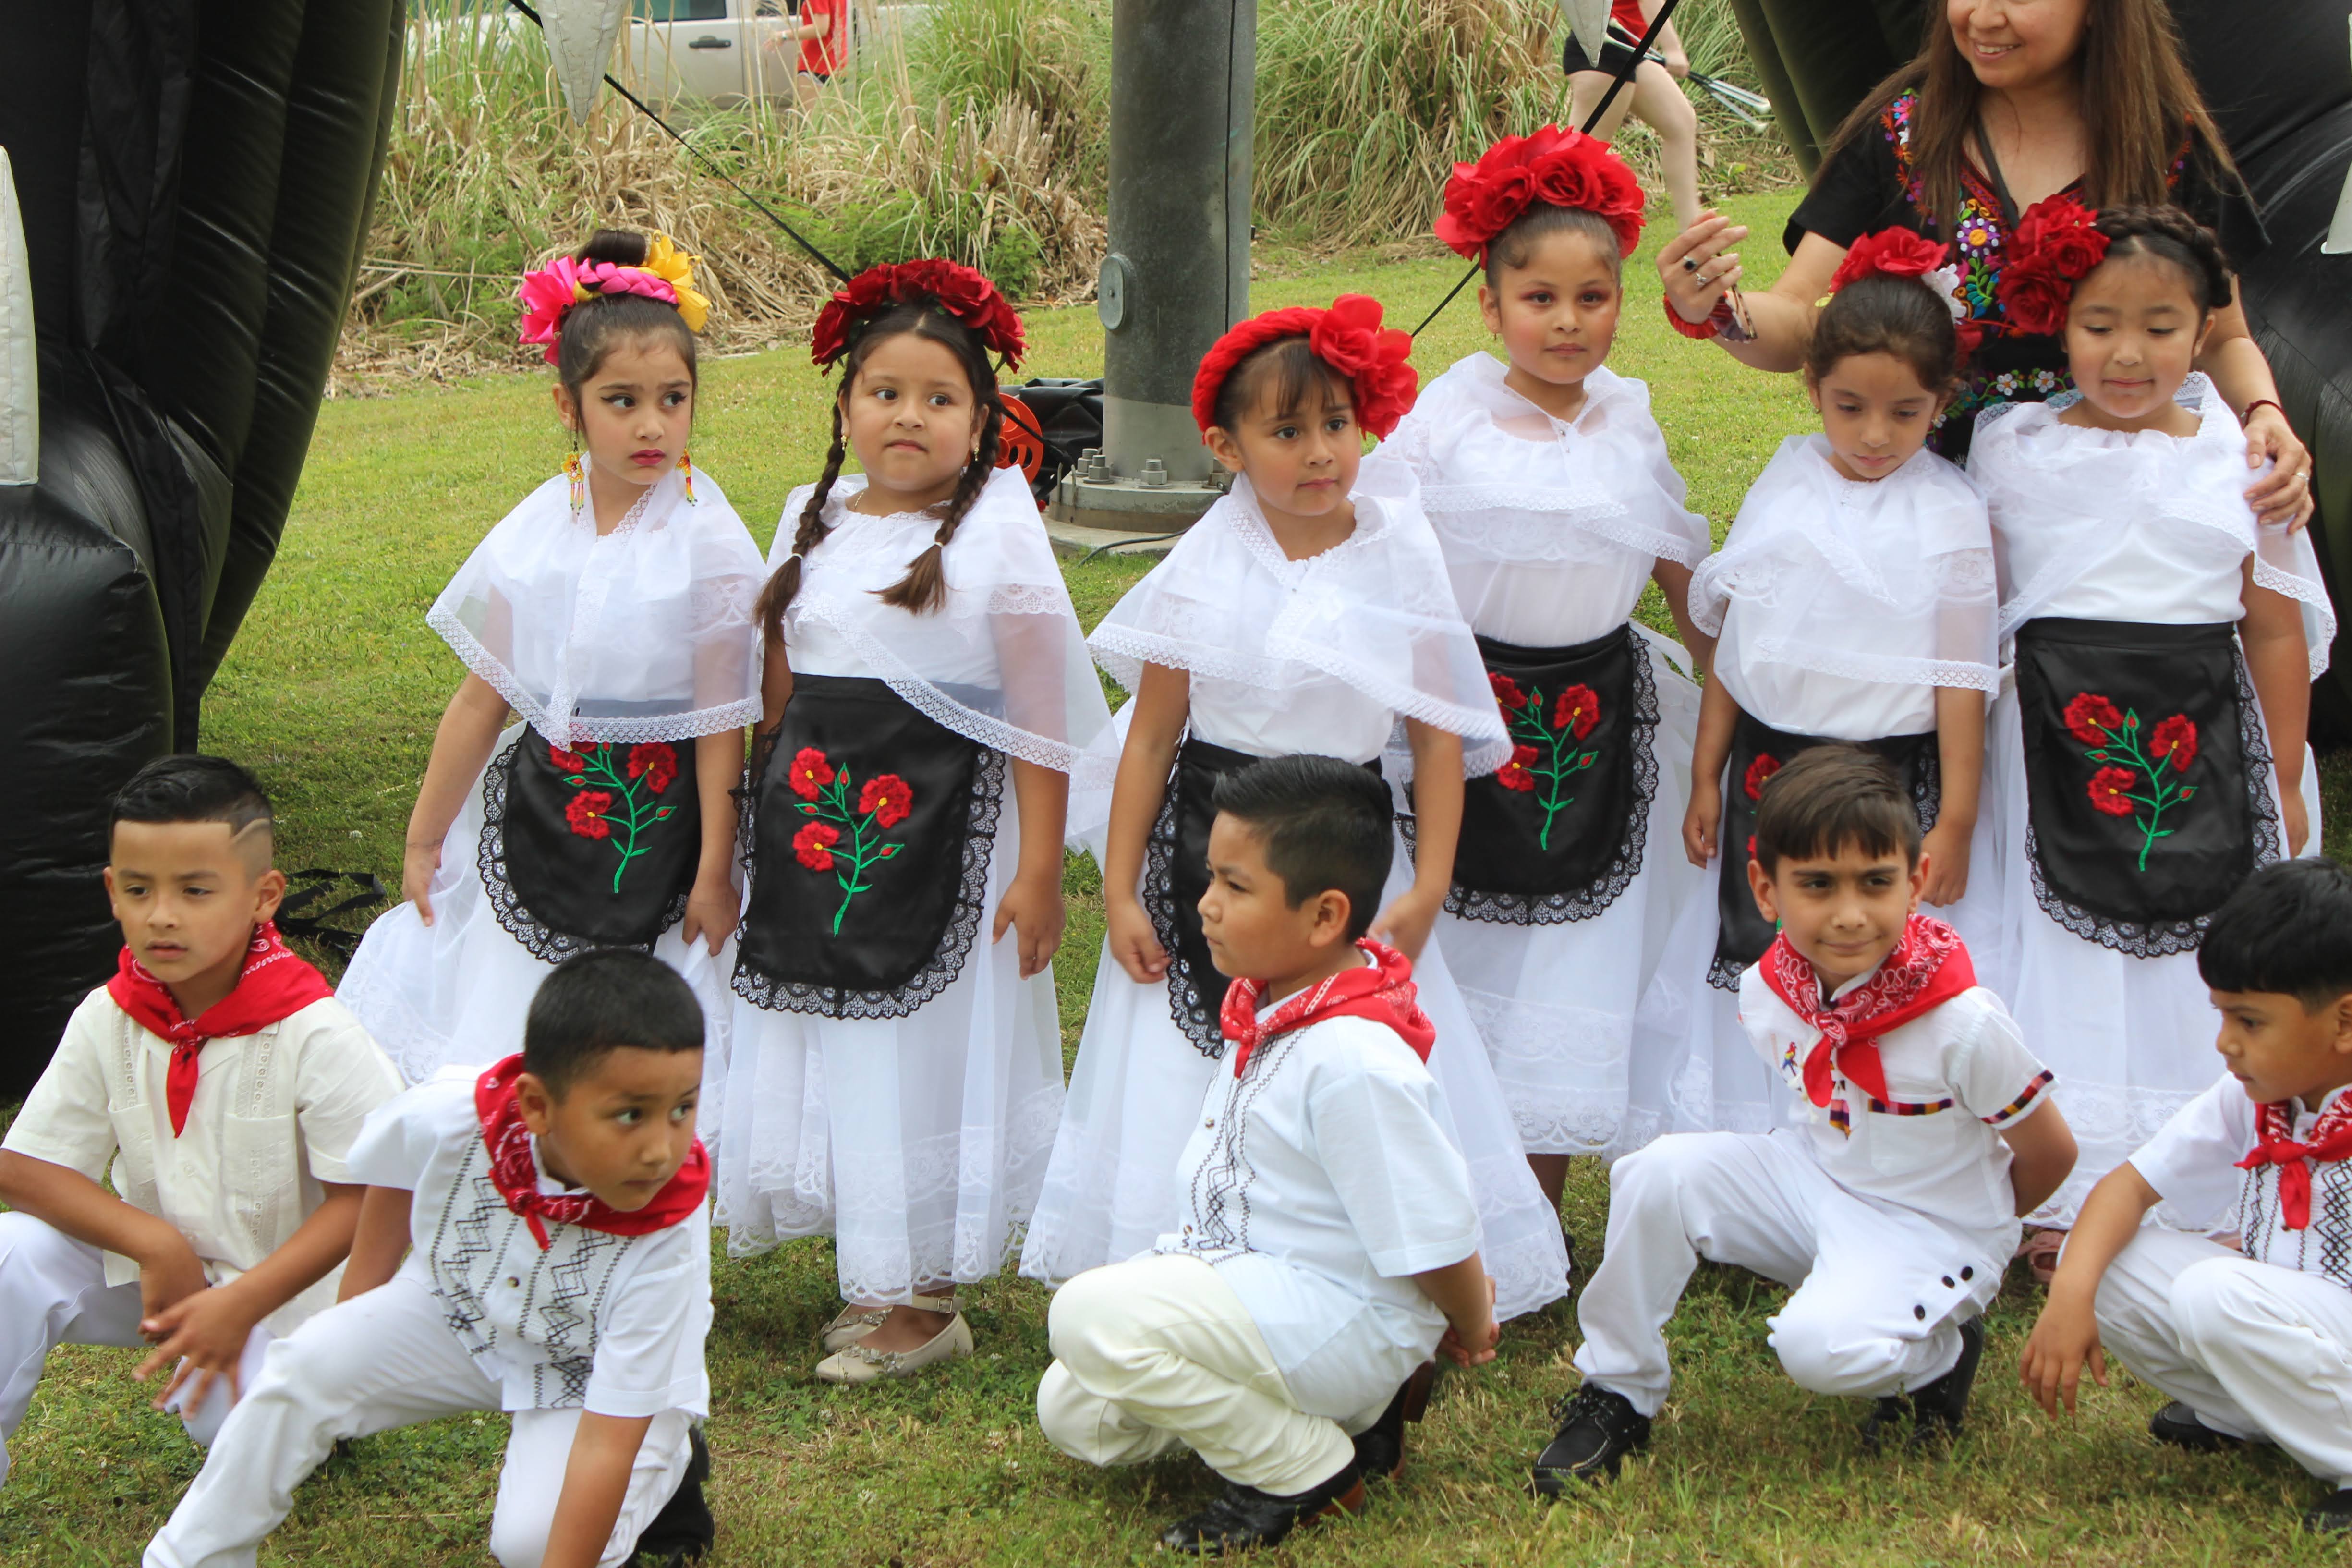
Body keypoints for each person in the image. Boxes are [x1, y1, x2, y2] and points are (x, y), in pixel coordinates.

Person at [1017, 296, 1572, 1326]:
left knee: (1362, 1049)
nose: (1319, 454)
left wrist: (1433, 882)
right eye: (1286, 433)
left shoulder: (1400, 550)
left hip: (1353, 856)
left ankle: (1382, 1256)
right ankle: (1186, 1253)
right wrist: (1126, 887)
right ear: (1225, 446)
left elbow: (1438, 738)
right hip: (1210, 848)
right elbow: (1150, 737)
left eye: (1335, 426)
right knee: (1190, 1055)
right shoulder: (1202, 564)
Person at [712, 260, 1111, 1382]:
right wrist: (757, 815)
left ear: (984, 421)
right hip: (819, 834)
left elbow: (1038, 721)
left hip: (951, 840)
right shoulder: (809, 515)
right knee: (850, 1045)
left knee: (922, 1049)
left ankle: (926, 1299)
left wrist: (1039, 872)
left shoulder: (997, 534)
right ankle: (879, 1272)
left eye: (939, 398)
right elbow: (778, 682)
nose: (908, 417)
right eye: (884, 392)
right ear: (843, 407)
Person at [1534, 747, 2076, 1490]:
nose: (1849, 914)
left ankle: (1941, 1347)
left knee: (1816, 1350)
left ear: (1914, 883)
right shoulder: (1769, 986)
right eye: (1816, 885)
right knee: (1654, 1172)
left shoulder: (1964, 1024)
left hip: (1928, 1226)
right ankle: (1617, 1388)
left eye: (1875, 883)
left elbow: (2051, 1152)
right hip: (1815, 1184)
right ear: (1765, 888)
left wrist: (1964, 1237)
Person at [1966, 204, 2334, 1243]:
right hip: (2049, 747)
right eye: (2098, 324)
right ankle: (2061, 1192)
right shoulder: (2009, 449)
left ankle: (2204, 1188)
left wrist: (2283, 773)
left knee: (2193, 966)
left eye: (2162, 327)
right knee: (2064, 963)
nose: (2128, 353)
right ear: (2059, 324)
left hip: (2203, 736)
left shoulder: (2241, 456)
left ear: (2205, 329)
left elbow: (2269, 629)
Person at [1037, 755, 1497, 1555]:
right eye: (1211, 878)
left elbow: (1432, 1230)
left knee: (1087, 1317)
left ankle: (1309, 1470)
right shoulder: (1282, 1004)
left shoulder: (1352, 1056)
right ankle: (1344, 1416)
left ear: (1324, 917)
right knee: (1072, 1408)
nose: (1205, 906)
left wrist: (1469, 1323)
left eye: (1234, 887)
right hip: (1268, 1291)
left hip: (1342, 1312)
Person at [338, 231, 765, 1088]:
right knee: (510, 1006)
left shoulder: (710, 546)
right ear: (567, 406)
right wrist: (425, 835)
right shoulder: (537, 532)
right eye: (621, 401)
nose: (652, 425)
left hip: (665, 827)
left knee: (638, 1026)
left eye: (673, 399)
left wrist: (715, 873)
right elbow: (480, 699)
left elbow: (726, 725)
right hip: (539, 808)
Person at [145, 949, 717, 1568]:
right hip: (458, 1307)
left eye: (681, 1108)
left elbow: (605, 1442)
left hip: (591, 1368)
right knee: (304, 1365)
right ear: (536, 1106)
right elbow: (393, 1171)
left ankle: (666, 1451)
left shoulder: (669, 1234)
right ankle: (189, 1558)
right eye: (630, 1114)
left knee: (531, 1545)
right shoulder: (453, 1112)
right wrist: (351, 1321)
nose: (661, 1150)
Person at [1654, 0, 2314, 524]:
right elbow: (1800, 323)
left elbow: (2224, 340)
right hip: (1937, 505)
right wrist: (1718, 308)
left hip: (2109, 505)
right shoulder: (1899, 136)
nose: (1983, 16)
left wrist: (2264, 413)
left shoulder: (2165, 146)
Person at [1386, 126, 1709, 1185]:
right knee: (1466, 953)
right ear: (1490, 304)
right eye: (1539, 299)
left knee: (1577, 963)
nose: (1567, 324)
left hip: (1602, 715)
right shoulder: (1449, 420)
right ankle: (1453, 1206)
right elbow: (1381, 554)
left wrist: (1730, 684)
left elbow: (1672, 556)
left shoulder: (1630, 417)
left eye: (1592, 298)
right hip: (1467, 721)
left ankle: (1541, 1202)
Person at [1649, 227, 2000, 1137]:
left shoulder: (1949, 512)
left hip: (1886, 772)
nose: (1873, 436)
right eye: (1848, 408)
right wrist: (1705, 774)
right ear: (1812, 391)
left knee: (1871, 953)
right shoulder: (1786, 483)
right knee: (1765, 946)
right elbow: (1739, 644)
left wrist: (1953, 821)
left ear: (1940, 403)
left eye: (1904, 413)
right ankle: (1755, 1134)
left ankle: (1879, 1138)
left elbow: (1962, 680)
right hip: (1767, 765)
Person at [0, 756, 401, 1487]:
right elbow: (24, 1170)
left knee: (226, 1431)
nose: (161, 915)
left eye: (195, 890)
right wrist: (151, 1242)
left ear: (264, 895)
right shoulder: (111, 1014)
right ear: (110, 892)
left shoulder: (315, 1031)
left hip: (288, 1306)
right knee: (10, 1253)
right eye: (138, 888)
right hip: (171, 1283)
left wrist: (240, 1305)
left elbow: (370, 1198)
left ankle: (314, 1416)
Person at [2020, 858, 2352, 1535]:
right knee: (2103, 1262)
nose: (2224, 1043)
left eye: (2249, 1021)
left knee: (2214, 1291)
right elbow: (2126, 1187)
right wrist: (2069, 1298)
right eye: (2222, 1014)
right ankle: (2250, 1418)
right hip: (2301, 1321)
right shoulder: (2252, 1095)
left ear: (2343, 1021)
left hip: (2324, 1324)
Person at [1561, 0, 1703, 233]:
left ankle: (1693, 228)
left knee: (1680, 123)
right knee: (1583, 159)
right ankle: (1558, 234)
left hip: (1629, 48)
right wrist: (1672, 48)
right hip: (1605, 49)